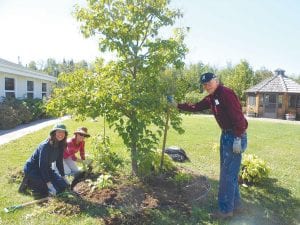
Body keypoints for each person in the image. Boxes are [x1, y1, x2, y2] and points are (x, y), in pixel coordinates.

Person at [173, 72, 248, 219]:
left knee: (227, 176)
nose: (207, 86)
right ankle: (236, 206)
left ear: (216, 81)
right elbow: (196, 106)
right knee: (229, 174)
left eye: (209, 83)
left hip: (234, 136)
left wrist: (238, 138)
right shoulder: (212, 97)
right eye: (204, 85)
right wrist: (177, 105)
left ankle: (225, 211)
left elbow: (238, 117)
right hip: (226, 135)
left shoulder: (226, 93)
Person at [19, 123, 69, 198]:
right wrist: (49, 184)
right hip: (33, 169)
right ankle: (30, 182)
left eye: (63, 132)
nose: (61, 134)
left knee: (64, 186)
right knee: (54, 190)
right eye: (58, 132)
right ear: (53, 133)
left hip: (46, 168)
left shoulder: (61, 144)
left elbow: (59, 162)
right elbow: (42, 165)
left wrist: (63, 176)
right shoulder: (45, 146)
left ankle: (42, 183)